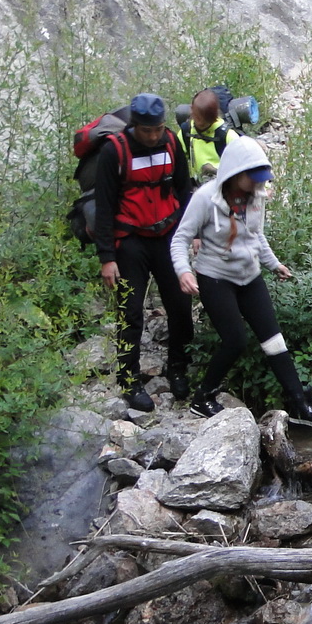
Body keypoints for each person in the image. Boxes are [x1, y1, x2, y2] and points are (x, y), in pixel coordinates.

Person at [169, 134, 312, 428]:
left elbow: (257, 235)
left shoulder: (257, 197)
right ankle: (202, 397)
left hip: (250, 275)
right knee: (235, 341)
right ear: (234, 173)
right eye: (253, 178)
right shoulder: (205, 198)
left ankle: (299, 403)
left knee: (274, 340)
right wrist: (184, 271)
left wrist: (274, 264)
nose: (259, 184)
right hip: (215, 277)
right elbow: (180, 238)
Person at [93, 93, 194, 412]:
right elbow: (104, 207)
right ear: (134, 126)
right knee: (131, 311)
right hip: (131, 242)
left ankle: (178, 368)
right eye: (147, 130)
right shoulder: (114, 151)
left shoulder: (171, 143)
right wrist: (107, 258)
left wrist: (190, 232)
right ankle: (129, 380)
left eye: (157, 129)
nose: (153, 136)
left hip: (167, 235)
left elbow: (183, 189)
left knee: (180, 306)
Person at [183, 88, 232, 177]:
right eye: (198, 117)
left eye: (206, 120)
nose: (200, 122)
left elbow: (244, 168)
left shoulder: (227, 136)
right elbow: (177, 158)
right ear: (191, 110)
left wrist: (215, 171)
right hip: (198, 184)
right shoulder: (186, 131)